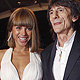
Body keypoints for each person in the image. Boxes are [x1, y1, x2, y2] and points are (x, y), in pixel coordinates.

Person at [41, 0, 80, 80]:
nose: (54, 16)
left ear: (74, 16)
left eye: (60, 10)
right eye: (51, 12)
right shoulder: (45, 54)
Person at [0, 7, 43, 80]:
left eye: (28, 28)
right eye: (18, 28)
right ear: (11, 29)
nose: (23, 33)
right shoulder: (1, 56)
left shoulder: (42, 55)